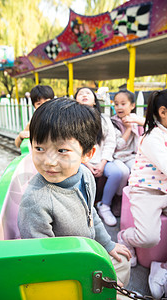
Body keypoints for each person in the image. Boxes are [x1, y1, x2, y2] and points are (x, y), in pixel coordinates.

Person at [18, 98, 131, 295]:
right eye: (39, 148)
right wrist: (98, 284)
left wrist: (108, 244)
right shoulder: (36, 201)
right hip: (67, 272)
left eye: (62, 150)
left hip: (87, 253)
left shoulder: (85, 175)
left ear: (87, 154)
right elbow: (43, 261)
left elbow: (90, 213)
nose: (49, 161)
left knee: (123, 262)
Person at [117, 89, 167, 267]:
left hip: (165, 191)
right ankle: (124, 237)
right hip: (147, 191)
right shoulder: (153, 137)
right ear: (162, 112)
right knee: (148, 238)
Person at [74, 87, 123, 226]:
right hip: (82, 161)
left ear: (95, 100)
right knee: (79, 175)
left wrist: (102, 163)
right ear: (75, 100)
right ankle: (85, 210)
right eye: (80, 93)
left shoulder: (104, 119)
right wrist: (85, 163)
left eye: (88, 93)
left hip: (102, 159)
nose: (84, 95)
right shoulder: (72, 120)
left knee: (117, 173)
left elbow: (110, 142)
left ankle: (105, 206)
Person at [111, 90, 145, 197]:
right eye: (116, 104)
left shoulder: (136, 119)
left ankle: (134, 197)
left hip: (133, 156)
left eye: (123, 104)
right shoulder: (113, 122)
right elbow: (119, 146)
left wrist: (137, 122)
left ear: (132, 105)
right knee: (124, 172)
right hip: (117, 157)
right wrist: (128, 128)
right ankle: (119, 197)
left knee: (137, 170)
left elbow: (151, 128)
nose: (119, 107)